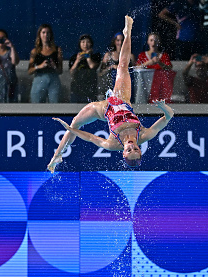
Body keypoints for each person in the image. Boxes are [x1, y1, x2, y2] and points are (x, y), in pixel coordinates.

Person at [47, 16, 175, 172]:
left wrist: (70, 128)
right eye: (136, 150)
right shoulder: (144, 135)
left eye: (129, 151)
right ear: (140, 150)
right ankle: (128, 32)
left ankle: (56, 157)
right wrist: (163, 107)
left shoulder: (112, 144)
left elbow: (90, 137)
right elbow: (169, 116)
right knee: (122, 66)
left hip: (104, 109)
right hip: (122, 99)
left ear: (123, 154)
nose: (132, 147)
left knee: (75, 122)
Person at [28, 24, 63, 103]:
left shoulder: (57, 50)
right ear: (39, 34)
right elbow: (29, 71)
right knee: (37, 103)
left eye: (48, 33)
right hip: (39, 78)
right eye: (43, 32)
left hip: (53, 78)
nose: (46, 35)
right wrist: (39, 66)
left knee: (55, 103)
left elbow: (60, 71)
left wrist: (54, 66)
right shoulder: (35, 51)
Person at [136, 32, 176, 103]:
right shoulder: (142, 55)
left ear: (159, 42)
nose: (153, 43)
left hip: (160, 86)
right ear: (148, 42)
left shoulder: (164, 55)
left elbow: (169, 69)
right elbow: (136, 68)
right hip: (146, 85)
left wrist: (159, 63)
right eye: (151, 40)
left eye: (155, 40)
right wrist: (148, 63)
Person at [69, 34, 102, 103]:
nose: (85, 44)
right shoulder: (74, 57)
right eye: (83, 42)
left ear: (91, 44)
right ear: (80, 44)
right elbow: (71, 72)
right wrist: (77, 60)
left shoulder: (96, 56)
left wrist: (88, 56)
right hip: (77, 88)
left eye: (88, 42)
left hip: (90, 88)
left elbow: (92, 66)